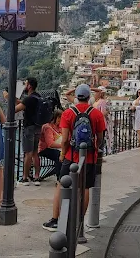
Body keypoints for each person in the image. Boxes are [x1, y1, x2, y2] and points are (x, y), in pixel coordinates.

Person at [42, 84, 106, 232]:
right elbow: (100, 137)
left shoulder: (68, 113)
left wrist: (63, 154)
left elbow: (64, 139)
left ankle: (56, 219)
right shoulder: (96, 114)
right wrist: (95, 150)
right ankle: (79, 221)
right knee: (85, 187)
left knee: (61, 184)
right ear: (89, 97)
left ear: (76, 97)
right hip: (89, 156)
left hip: (71, 155)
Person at [15, 77, 42, 186]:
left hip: (29, 127)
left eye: (25, 84)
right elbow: (24, 103)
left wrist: (9, 99)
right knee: (35, 153)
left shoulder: (29, 98)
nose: (24, 86)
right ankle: (37, 177)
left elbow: (16, 109)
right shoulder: (38, 97)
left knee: (28, 153)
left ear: (29, 86)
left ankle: (25, 178)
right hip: (38, 127)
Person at [38, 109, 63, 180]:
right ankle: (59, 177)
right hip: (45, 149)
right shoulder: (47, 127)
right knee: (59, 155)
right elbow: (50, 144)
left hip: (58, 147)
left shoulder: (60, 127)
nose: (60, 119)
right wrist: (63, 146)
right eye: (59, 117)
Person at [93, 86, 113, 155]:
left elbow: (102, 113)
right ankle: (98, 155)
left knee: (97, 139)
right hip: (99, 122)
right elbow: (103, 113)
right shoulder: (100, 101)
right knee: (99, 139)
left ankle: (97, 154)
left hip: (97, 122)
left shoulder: (98, 102)